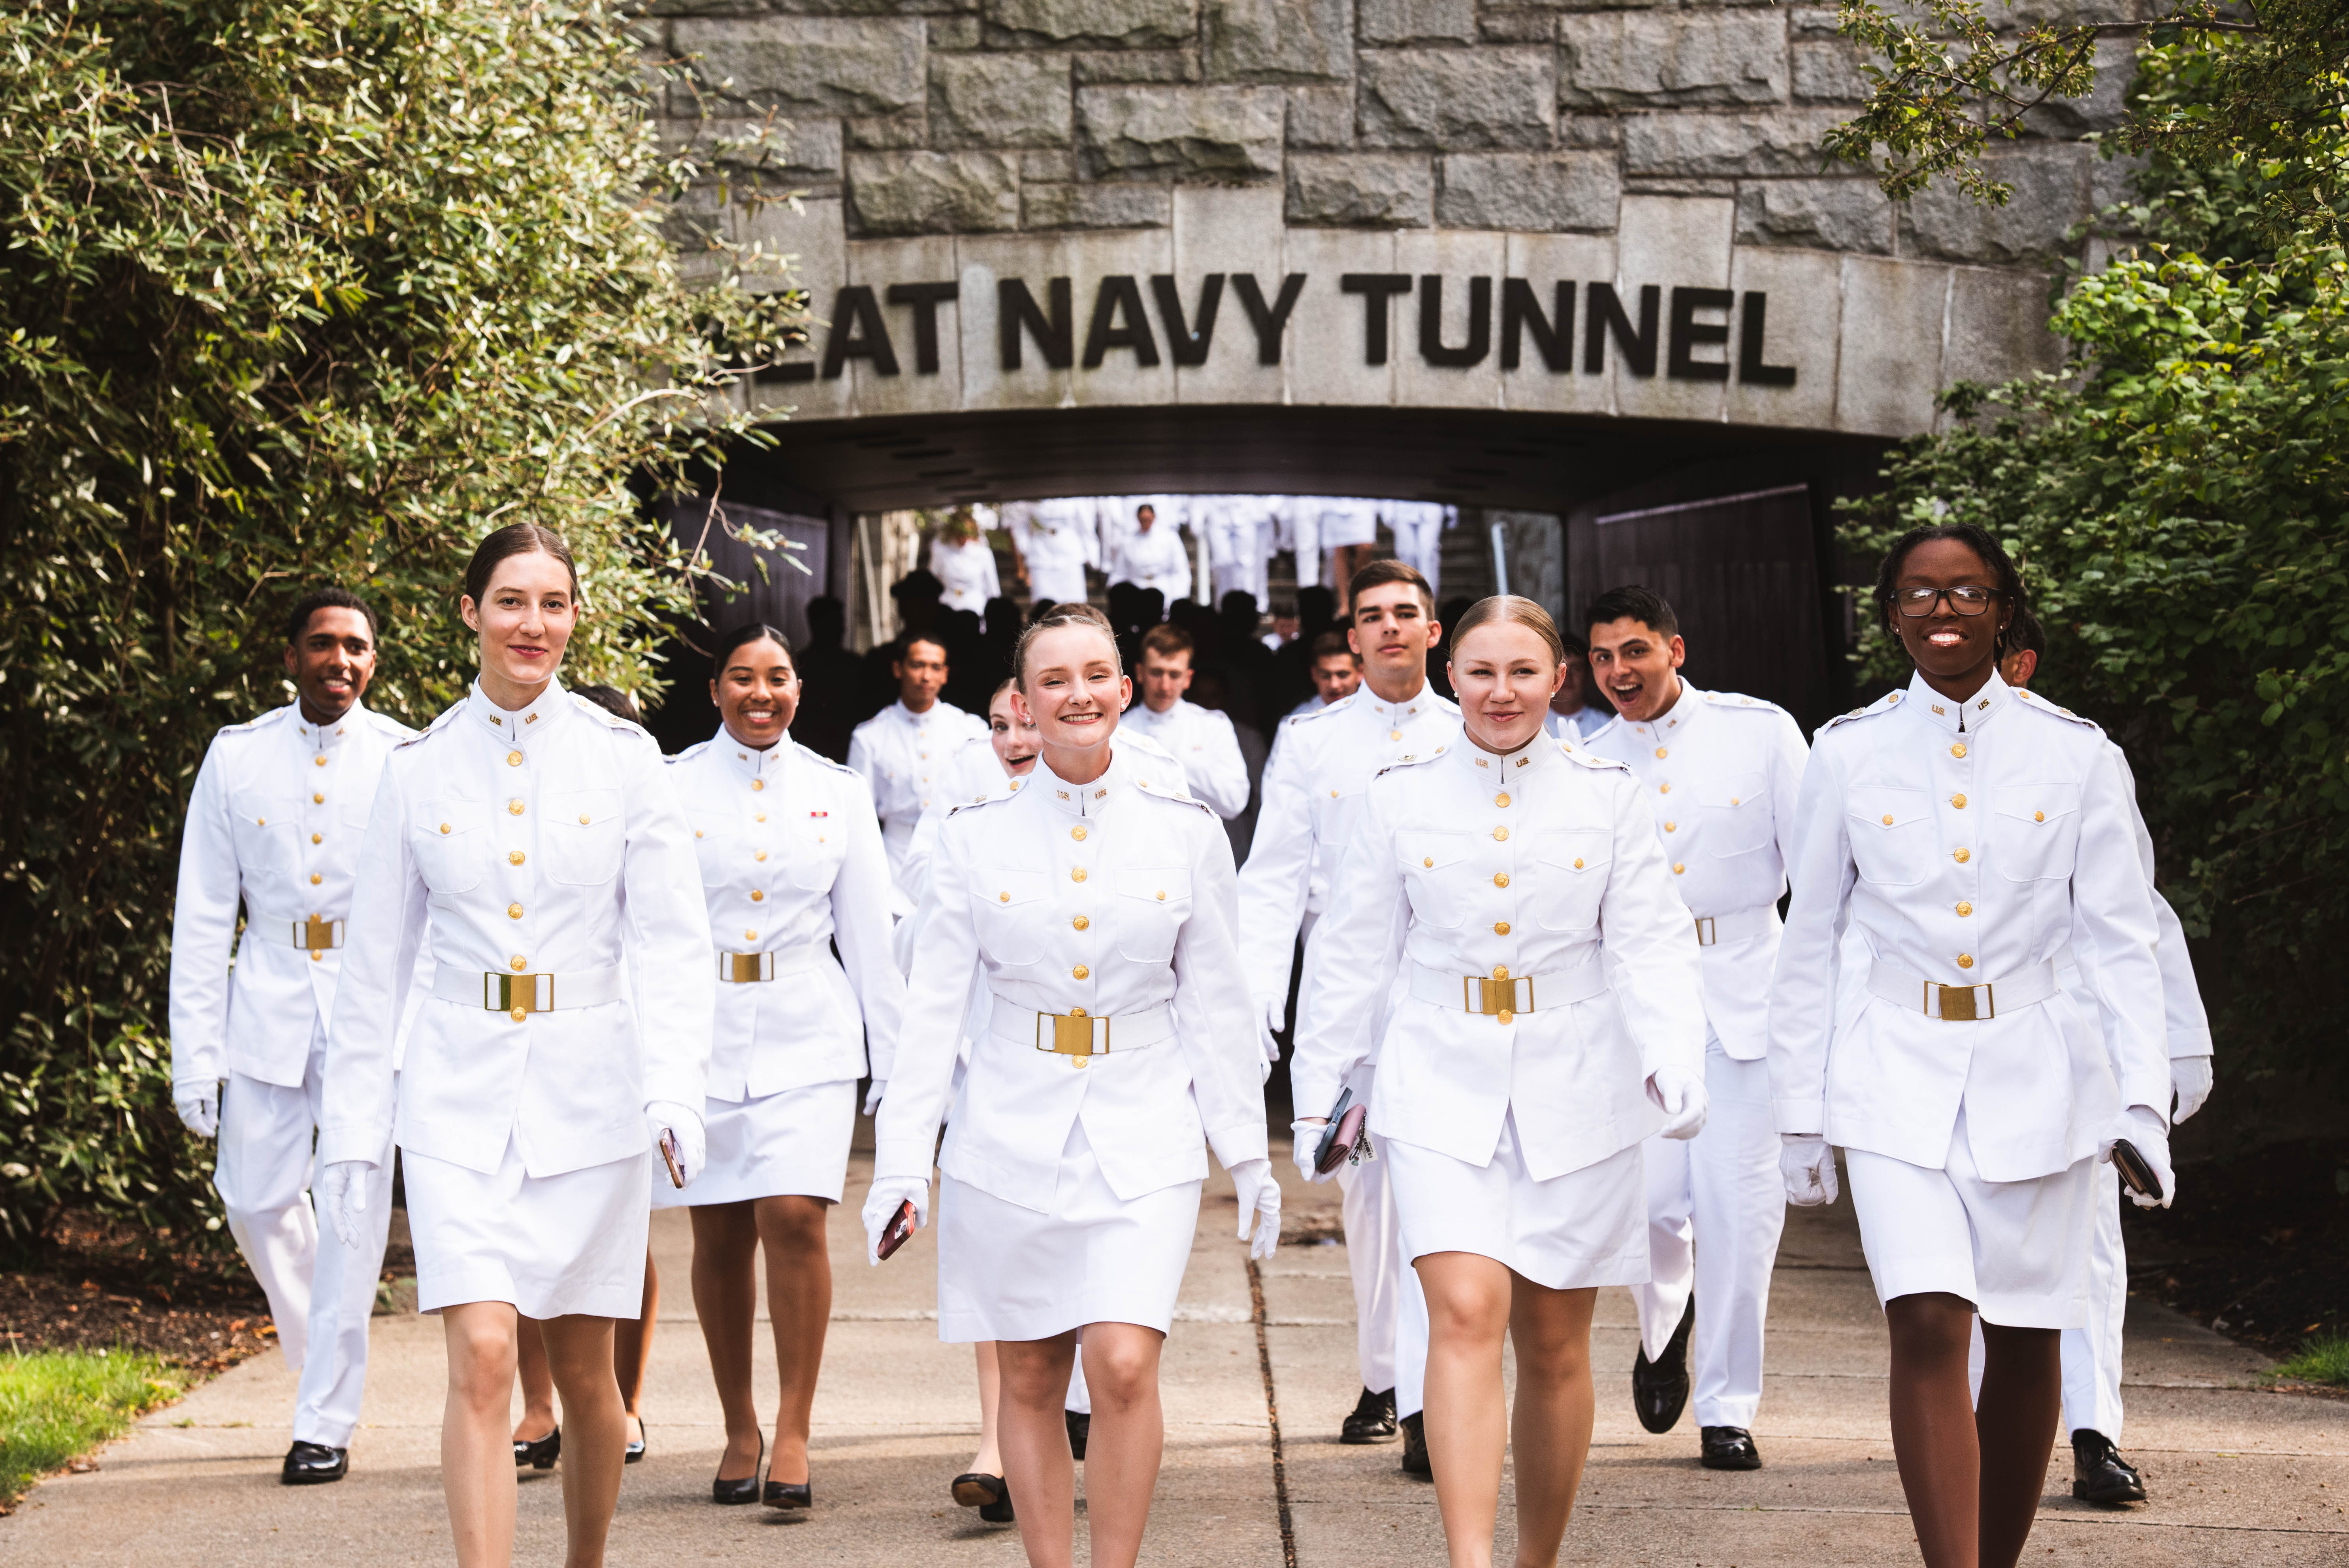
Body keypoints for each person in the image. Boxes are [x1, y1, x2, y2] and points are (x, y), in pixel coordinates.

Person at [1767, 522, 2173, 1568]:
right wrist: (1798, 1113)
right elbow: (1808, 940)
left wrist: (2142, 1106)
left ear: (2003, 608)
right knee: (1931, 1324)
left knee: (2030, 1337)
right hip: (1892, 1073)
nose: (1942, 612)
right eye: (1919, 594)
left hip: (2041, 1075)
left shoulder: (2077, 754)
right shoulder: (1847, 751)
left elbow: (2121, 944)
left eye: (1965, 593)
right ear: (1891, 613)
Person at [318, 523, 714, 1568]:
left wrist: (677, 1091)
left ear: (574, 618)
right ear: (469, 613)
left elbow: (674, 943)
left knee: (589, 1376)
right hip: (457, 1092)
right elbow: (374, 970)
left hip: (594, 1094)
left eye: (551, 603)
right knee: (486, 1356)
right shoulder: (417, 769)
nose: (530, 624)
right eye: (509, 601)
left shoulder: (625, 761)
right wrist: (353, 1139)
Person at [1293, 595, 1707, 1568]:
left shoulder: (1608, 794)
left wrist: (1671, 1058)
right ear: (1451, 678)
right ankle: (1469, 1559)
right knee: (1467, 1311)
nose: (1501, 691)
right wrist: (1323, 1090)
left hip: (1579, 1083)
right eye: (1480, 671)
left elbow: (1651, 944)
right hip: (1438, 1073)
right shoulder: (1398, 794)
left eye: (1523, 671)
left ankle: (1535, 1560)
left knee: (1558, 1344)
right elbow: (1352, 954)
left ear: (1558, 679)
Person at [864, 601, 1278, 1568]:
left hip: (1143, 1123)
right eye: (1053, 680)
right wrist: (902, 1165)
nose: (1076, 695)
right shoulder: (973, 835)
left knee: (1125, 1365)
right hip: (1007, 1124)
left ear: (1126, 691)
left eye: (1095, 675)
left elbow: (1216, 1006)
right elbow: (931, 1016)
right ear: (1022, 701)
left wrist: (1250, 1159)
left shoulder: (1184, 831)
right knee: (1032, 1375)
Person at [168, 587, 419, 1486]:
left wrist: (421, 1033)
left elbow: (429, 911)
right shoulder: (235, 759)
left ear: (374, 661)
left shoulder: (404, 758)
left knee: (352, 1205)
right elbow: (202, 913)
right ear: (291, 657)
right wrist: (194, 1053)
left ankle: (324, 1420)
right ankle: (325, 1361)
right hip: (268, 999)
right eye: (323, 645)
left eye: (356, 647)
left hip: (368, 1006)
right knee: (253, 1199)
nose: (340, 660)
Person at [662, 623, 904, 1512]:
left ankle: (795, 1427)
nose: (758, 695)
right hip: (702, 1028)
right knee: (719, 1233)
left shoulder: (837, 791)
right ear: (715, 690)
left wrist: (896, 1063)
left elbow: (870, 937)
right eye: (740, 679)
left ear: (798, 689)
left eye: (776, 679)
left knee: (794, 1215)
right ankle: (739, 1423)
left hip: (808, 1024)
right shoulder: (671, 785)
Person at [1580, 587, 1808, 1471]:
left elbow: (1816, 869)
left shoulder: (1758, 732)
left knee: (1738, 1211)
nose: (1617, 673)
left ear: (1675, 647)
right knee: (1648, 1209)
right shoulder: (1589, 760)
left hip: (1747, 987)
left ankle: (1726, 1404)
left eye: (1633, 651)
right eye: (1601, 658)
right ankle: (1662, 1325)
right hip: (1638, 1004)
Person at [1992, 612, 2215, 1508]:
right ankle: (1980, 1423)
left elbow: (2134, 912)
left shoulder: (2081, 759)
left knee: (2087, 1247)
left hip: (2068, 1039)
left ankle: (2093, 1435)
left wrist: (2173, 1046)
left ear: (2019, 661)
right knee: (1965, 1256)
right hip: (1938, 1045)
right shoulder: (1884, 754)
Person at [1239, 561, 1455, 1464]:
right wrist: (1252, 1002)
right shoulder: (1312, 742)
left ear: (1434, 630)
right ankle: (1388, 1374)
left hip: (1450, 989)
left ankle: (1423, 1403)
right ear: (1352, 635)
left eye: (1408, 613)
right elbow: (1273, 882)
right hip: (1347, 996)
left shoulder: (1473, 726)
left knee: (1443, 1202)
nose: (1392, 629)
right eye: (1373, 617)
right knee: (1369, 1205)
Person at [508, 683, 665, 1472]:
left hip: (622, 1056)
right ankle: (537, 1403)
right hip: (533, 1046)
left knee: (620, 1250)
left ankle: (624, 1399)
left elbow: (666, 943)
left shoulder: (645, 806)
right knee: (519, 1249)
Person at [848, 634, 988, 895]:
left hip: (956, 855)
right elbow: (859, 818)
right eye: (917, 665)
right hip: (893, 861)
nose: (926, 676)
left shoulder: (970, 729)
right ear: (898, 669)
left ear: (945, 674)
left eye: (935, 667)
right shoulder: (870, 736)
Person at [1118, 624, 1249, 821]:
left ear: (1188, 678)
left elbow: (1235, 802)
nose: (1165, 686)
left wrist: (1173, 756)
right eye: (1156, 672)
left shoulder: (1213, 726)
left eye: (1174, 675)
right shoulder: (1119, 730)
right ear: (1139, 673)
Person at [1008, 499, 1098, 610]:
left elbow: (1085, 524)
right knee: (1044, 607)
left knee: (1075, 607)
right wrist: (1025, 547)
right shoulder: (1032, 495)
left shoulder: (1073, 496)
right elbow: (1020, 523)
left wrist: (1092, 553)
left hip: (1070, 553)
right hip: (1041, 553)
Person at [1107, 503, 1192, 615]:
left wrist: (1178, 597)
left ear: (1154, 517)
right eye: (1143, 519)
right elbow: (1119, 573)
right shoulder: (1128, 541)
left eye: (1148, 519)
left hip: (1164, 589)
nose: (1146, 522)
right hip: (1137, 590)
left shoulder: (1170, 538)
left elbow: (1180, 571)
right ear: (1138, 518)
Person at [931, 511, 1002, 616]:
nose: (962, 538)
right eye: (959, 533)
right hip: (948, 606)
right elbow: (932, 580)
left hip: (976, 608)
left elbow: (993, 589)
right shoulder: (941, 551)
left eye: (965, 533)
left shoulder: (983, 553)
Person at [1317, 499, 1381, 614]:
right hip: (1335, 504)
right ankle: (1345, 603)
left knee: (1365, 548)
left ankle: (1359, 593)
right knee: (1340, 550)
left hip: (1363, 501)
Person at [1544, 635, 1609, 740]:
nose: (1568, 676)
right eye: (1560, 669)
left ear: (1588, 675)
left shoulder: (1606, 727)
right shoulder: (1534, 726)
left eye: (1576, 669)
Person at [1386, 501, 1454, 596]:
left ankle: (1429, 600)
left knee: (1428, 554)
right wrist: (1387, 509)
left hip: (1432, 507)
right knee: (1406, 554)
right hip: (1402, 506)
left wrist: (1452, 509)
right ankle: (1407, 597)